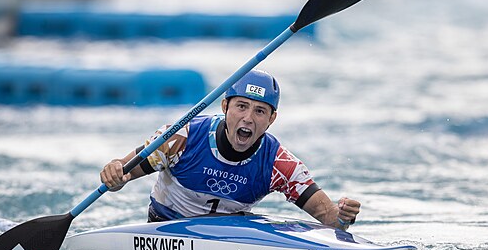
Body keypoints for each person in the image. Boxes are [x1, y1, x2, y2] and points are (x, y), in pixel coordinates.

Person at [100, 69, 360, 230]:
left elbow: (329, 218)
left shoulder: (280, 164)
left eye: (260, 111)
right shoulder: (181, 137)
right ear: (225, 107)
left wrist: (344, 217)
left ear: (272, 119)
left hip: (229, 240)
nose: (248, 118)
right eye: (241, 106)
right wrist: (113, 174)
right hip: (164, 228)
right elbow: (122, 172)